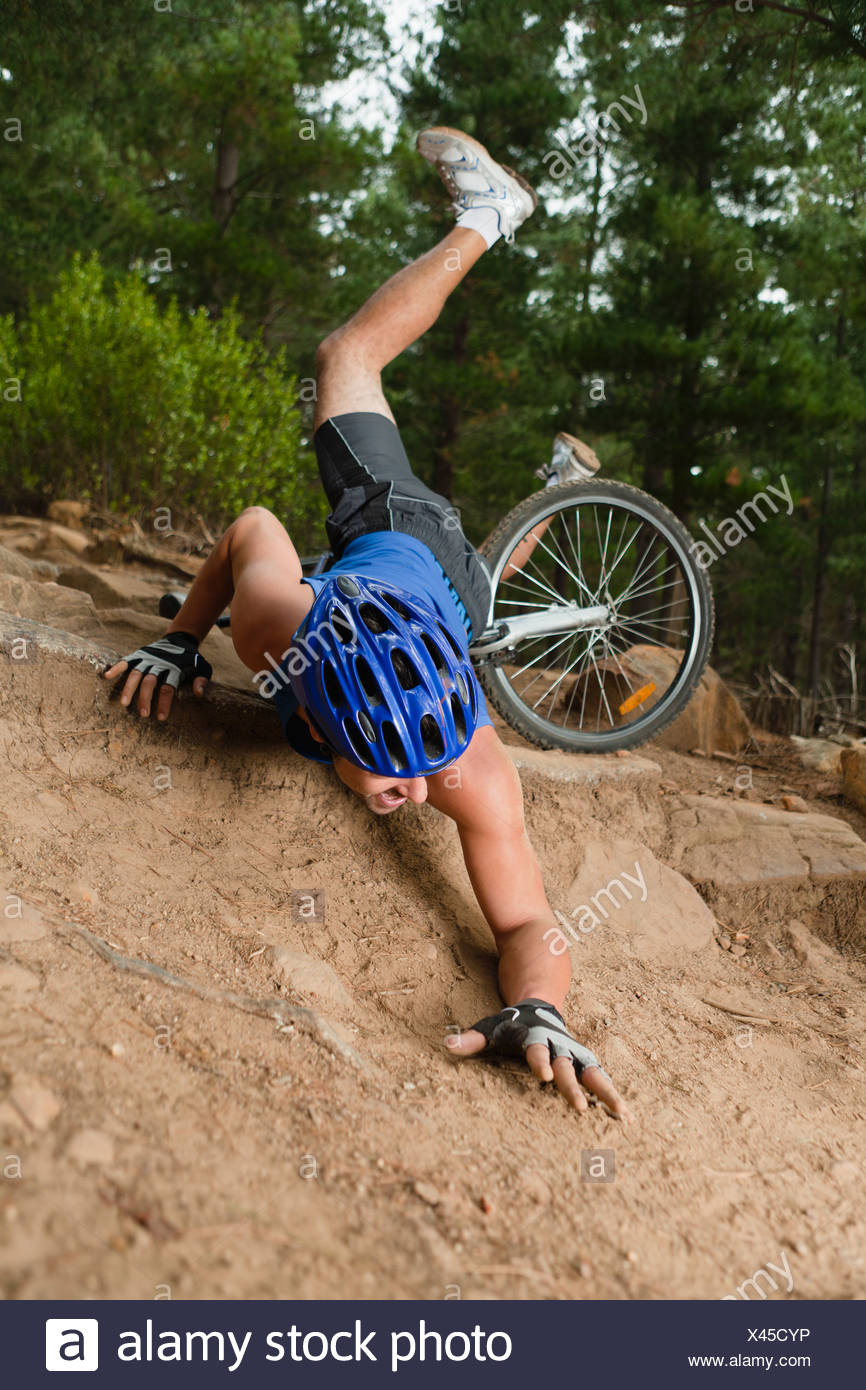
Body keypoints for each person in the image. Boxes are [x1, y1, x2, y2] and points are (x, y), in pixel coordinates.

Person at [104, 128, 628, 1120]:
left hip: (417, 557)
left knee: (348, 356)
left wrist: (539, 1006)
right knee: (361, 396)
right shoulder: (274, 627)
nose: (413, 793)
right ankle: (554, 485)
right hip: (410, 559)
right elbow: (246, 530)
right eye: (393, 772)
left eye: (420, 771)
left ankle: (488, 214)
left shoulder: (466, 762)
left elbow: (528, 918)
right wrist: (181, 636)